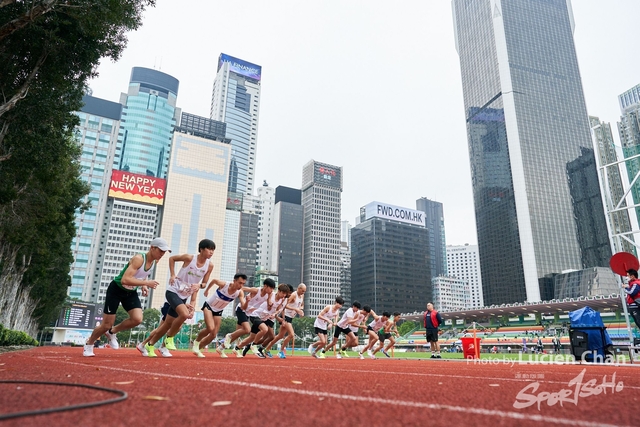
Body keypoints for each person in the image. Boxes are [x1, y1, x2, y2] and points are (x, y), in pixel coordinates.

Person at [83, 237, 170, 357]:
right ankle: (89, 344)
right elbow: (125, 280)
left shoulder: (154, 262)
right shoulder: (139, 259)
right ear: (152, 248)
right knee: (106, 324)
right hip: (116, 289)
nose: (162, 254)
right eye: (161, 251)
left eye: (164, 252)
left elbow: (141, 275)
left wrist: (144, 284)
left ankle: (112, 332)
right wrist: (146, 283)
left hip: (130, 292)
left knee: (137, 319)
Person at [143, 239, 215, 357]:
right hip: (173, 291)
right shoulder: (189, 258)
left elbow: (204, 284)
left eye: (213, 250)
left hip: (184, 295)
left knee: (167, 324)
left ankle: (150, 345)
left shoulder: (209, 266)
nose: (211, 252)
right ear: (201, 249)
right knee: (184, 314)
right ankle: (169, 338)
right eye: (209, 249)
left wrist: (200, 285)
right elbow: (172, 259)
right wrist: (172, 274)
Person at [191, 274, 248, 358]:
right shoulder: (224, 285)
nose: (241, 285)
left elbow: (243, 306)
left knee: (213, 335)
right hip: (209, 306)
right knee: (210, 328)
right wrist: (207, 290)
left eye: (243, 284)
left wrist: (247, 302)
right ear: (234, 281)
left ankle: (197, 348)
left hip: (218, 311)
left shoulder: (240, 292)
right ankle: (196, 342)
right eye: (239, 283)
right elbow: (214, 280)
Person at [237, 284, 291, 358]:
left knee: (252, 337)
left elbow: (277, 310)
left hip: (264, 318)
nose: (284, 295)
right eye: (283, 293)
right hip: (256, 315)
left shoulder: (282, 300)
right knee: (265, 330)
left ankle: (238, 348)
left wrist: (276, 315)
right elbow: (265, 300)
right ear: (278, 291)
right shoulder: (270, 294)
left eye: (286, 294)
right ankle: (254, 345)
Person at [226, 278, 277, 357]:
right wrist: (243, 300)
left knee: (238, 334)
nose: (271, 290)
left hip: (248, 313)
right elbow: (242, 288)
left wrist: (269, 303)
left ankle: (222, 346)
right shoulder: (256, 290)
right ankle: (231, 337)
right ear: (265, 286)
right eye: (270, 288)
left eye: (273, 289)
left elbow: (268, 304)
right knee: (247, 329)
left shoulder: (269, 294)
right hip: (241, 309)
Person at [263, 283, 306, 358]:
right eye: (302, 291)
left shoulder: (302, 296)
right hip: (286, 316)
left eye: (304, 291)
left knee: (280, 336)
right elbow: (285, 305)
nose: (303, 293)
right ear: (298, 289)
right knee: (291, 334)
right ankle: (281, 351)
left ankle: (266, 349)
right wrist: (295, 309)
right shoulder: (293, 295)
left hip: (291, 317)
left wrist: (301, 310)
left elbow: (302, 304)